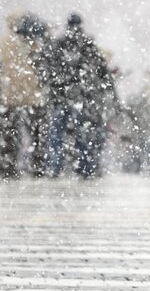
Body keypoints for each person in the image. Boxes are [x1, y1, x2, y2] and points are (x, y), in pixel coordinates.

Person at [39, 13, 114, 179]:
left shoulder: (58, 43)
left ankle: (54, 167)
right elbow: (99, 68)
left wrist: (55, 84)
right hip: (80, 97)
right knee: (82, 134)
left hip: (60, 96)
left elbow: (47, 68)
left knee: (56, 135)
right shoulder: (86, 43)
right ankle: (84, 168)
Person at [0, 13, 48, 178]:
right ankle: (38, 167)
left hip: (9, 97)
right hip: (32, 97)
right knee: (36, 134)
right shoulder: (35, 44)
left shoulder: (4, 43)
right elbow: (42, 70)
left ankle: (8, 166)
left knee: (10, 134)